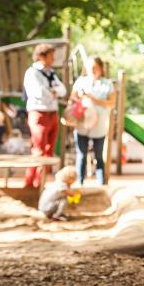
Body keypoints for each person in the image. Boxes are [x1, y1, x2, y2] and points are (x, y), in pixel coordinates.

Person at [23, 43, 67, 188]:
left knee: (49, 150)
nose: (53, 59)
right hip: (38, 113)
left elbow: (63, 90)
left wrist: (52, 91)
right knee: (38, 150)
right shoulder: (32, 73)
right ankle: (30, 184)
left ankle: (40, 182)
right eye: (51, 56)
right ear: (42, 56)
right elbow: (38, 93)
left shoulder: (51, 73)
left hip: (52, 113)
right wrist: (53, 92)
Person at [69, 56, 115, 186]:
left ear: (100, 68)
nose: (92, 70)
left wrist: (95, 100)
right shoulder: (81, 81)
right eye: (90, 68)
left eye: (95, 67)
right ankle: (80, 183)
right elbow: (72, 97)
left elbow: (112, 103)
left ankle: (101, 185)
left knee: (98, 156)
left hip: (99, 126)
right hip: (82, 124)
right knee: (81, 155)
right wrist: (79, 99)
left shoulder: (107, 83)